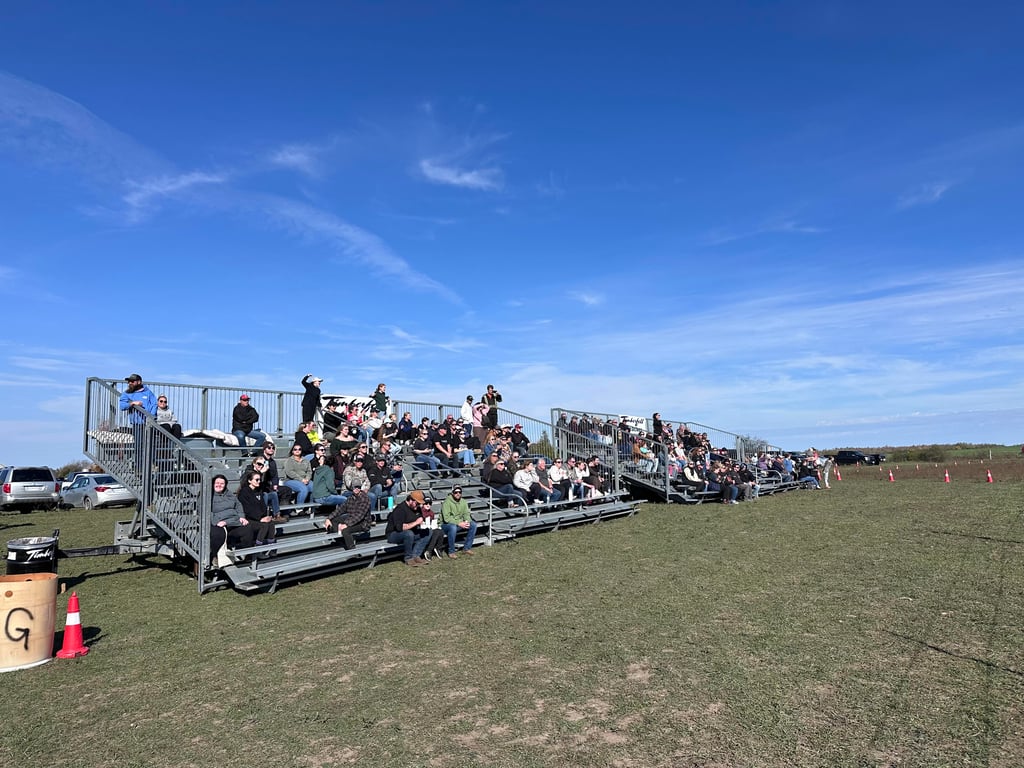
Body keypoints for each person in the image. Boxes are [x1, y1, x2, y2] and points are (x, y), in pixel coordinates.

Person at [210, 473, 255, 564]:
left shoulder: (229, 494)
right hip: (218, 522)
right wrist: (217, 521)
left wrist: (242, 517)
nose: (219, 485)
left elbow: (238, 505)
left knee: (247, 528)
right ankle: (215, 556)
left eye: (222, 483)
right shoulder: (208, 495)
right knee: (218, 534)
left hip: (232, 521)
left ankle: (246, 554)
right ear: (213, 483)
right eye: (217, 483)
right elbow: (205, 511)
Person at [119, 373, 158, 473]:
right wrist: (132, 403)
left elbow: (154, 404)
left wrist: (151, 416)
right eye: (129, 382)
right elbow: (122, 405)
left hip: (149, 423)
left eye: (132, 381)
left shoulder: (148, 392)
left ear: (139, 382)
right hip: (137, 424)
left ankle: (153, 464)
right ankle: (139, 468)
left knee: (151, 445)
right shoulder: (127, 393)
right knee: (139, 446)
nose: (130, 383)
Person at [385, 489, 432, 566]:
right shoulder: (400, 509)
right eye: (417, 503)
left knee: (428, 531)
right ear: (410, 500)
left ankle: (416, 555)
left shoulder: (417, 508)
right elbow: (399, 528)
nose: (418, 506)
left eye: (420, 504)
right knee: (408, 534)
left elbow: (419, 519)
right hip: (394, 534)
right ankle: (408, 558)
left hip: (411, 532)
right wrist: (416, 522)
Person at [324, 482, 374, 549]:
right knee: (334, 520)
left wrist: (346, 524)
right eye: (354, 487)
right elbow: (340, 509)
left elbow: (359, 516)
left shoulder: (365, 499)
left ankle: (352, 550)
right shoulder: (350, 498)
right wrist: (328, 518)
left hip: (363, 523)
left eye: (358, 487)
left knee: (346, 530)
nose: (356, 489)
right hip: (351, 519)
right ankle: (341, 540)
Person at [237, 470, 277, 552]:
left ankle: (271, 547)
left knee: (271, 523)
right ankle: (258, 549)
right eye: (256, 480)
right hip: (248, 518)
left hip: (258, 517)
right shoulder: (244, 492)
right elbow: (247, 509)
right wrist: (260, 518)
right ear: (249, 481)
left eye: (259, 480)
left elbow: (263, 506)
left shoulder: (259, 491)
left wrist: (265, 516)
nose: (259, 481)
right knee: (264, 525)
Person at [439, 486, 477, 559]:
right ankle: (451, 551)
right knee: (453, 527)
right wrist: (459, 523)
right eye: (456, 492)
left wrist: (467, 521)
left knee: (473, 524)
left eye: (460, 492)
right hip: (445, 524)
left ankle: (467, 548)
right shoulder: (447, 502)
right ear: (452, 493)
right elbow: (446, 518)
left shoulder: (463, 501)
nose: (458, 494)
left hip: (458, 522)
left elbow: (466, 514)